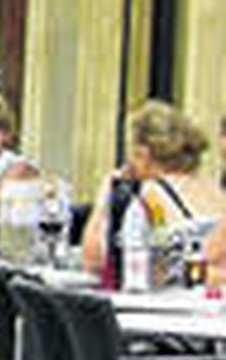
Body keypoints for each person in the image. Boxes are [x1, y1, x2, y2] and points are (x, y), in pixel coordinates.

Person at [81, 100, 226, 284]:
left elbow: (94, 259)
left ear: (143, 154)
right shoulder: (215, 188)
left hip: (170, 304)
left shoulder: (146, 195)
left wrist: (106, 195)